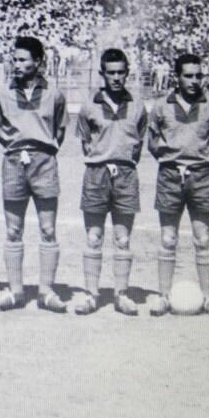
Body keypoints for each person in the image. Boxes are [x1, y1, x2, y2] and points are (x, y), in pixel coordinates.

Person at [0, 36, 69, 313]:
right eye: (15, 58)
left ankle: (46, 291)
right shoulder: (1, 93)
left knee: (48, 229)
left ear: (38, 62)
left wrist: (43, 149)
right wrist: (14, 147)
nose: (17, 64)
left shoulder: (54, 94)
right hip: (13, 163)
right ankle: (15, 291)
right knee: (13, 230)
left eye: (23, 59)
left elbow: (60, 129)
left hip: (44, 163)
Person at [147, 53, 209, 317]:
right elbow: (152, 141)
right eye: (188, 76)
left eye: (198, 75)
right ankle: (163, 296)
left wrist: (207, 159)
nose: (194, 81)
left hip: (201, 176)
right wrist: (169, 160)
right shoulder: (161, 106)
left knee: (202, 238)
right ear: (176, 77)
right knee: (168, 238)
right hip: (170, 176)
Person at [73, 49, 146, 316]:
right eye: (110, 72)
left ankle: (122, 294)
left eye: (120, 72)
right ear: (102, 74)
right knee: (94, 237)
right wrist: (102, 158)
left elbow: (138, 145)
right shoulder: (89, 106)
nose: (116, 77)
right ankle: (91, 294)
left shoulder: (137, 106)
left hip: (126, 175)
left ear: (127, 73)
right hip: (96, 174)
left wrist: (121, 159)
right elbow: (85, 141)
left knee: (123, 238)